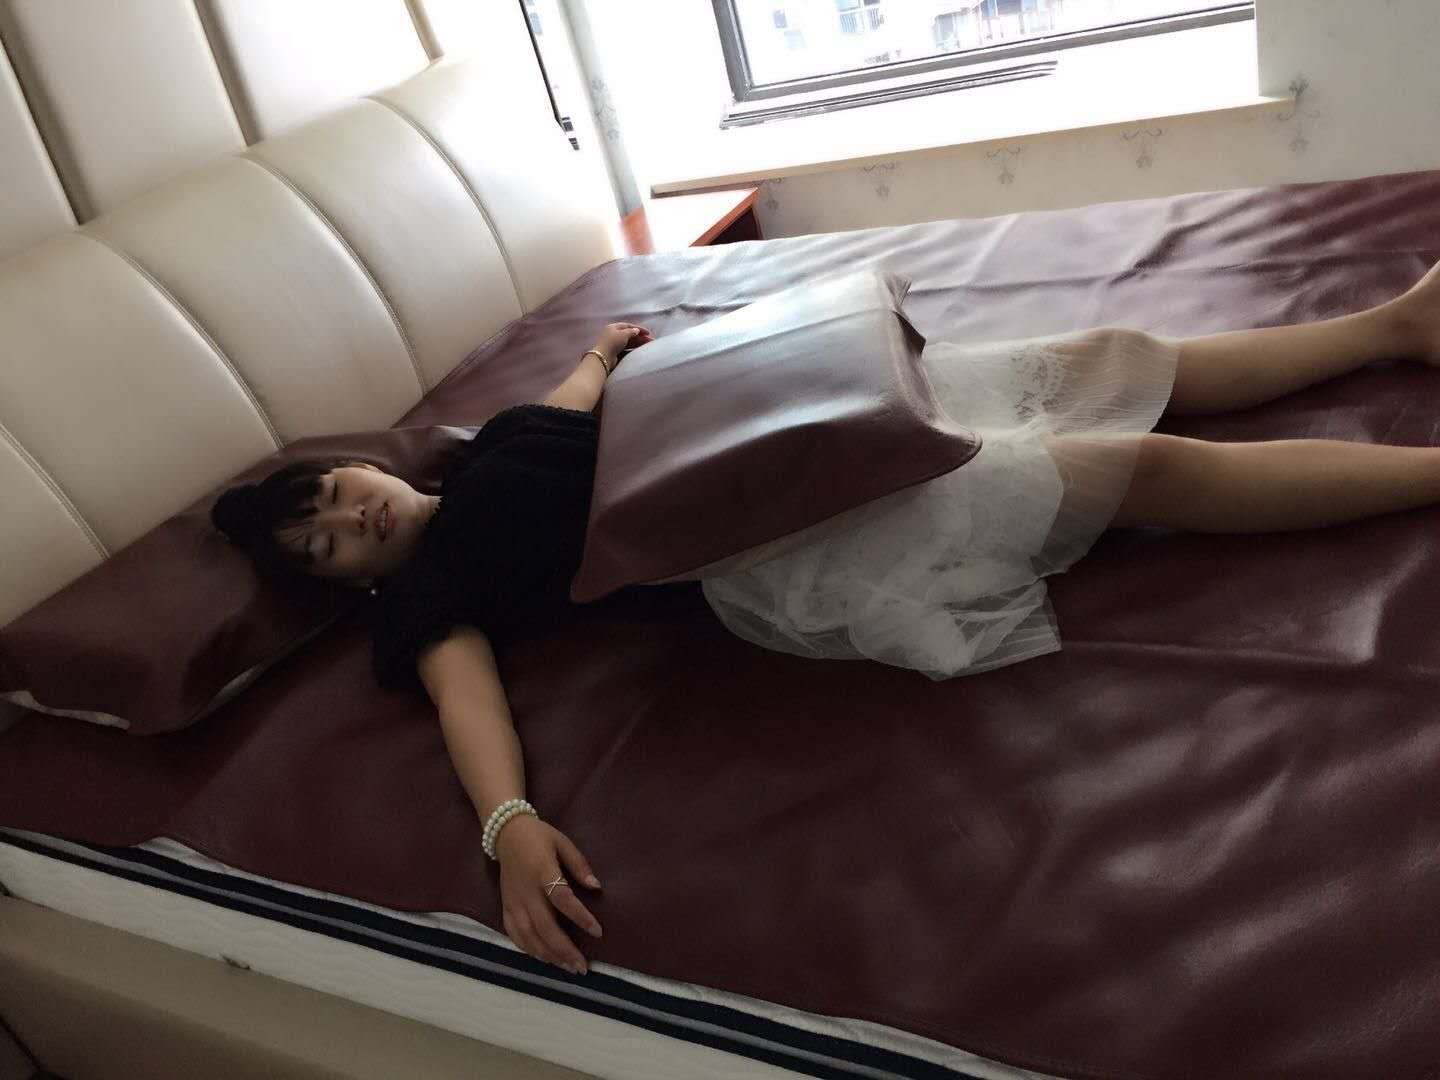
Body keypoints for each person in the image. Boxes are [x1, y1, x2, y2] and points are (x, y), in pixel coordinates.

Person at [210, 262, 1440, 977]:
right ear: (350, 584)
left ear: (364, 467)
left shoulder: (484, 450)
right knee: (1137, 469)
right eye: (324, 545)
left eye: (333, 494)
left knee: (1103, 357)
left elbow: (566, 405)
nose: (349, 518)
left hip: (788, 425)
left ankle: (1392, 325)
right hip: (784, 538)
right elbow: (464, 698)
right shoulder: (429, 594)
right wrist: (509, 825)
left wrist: (607, 349)